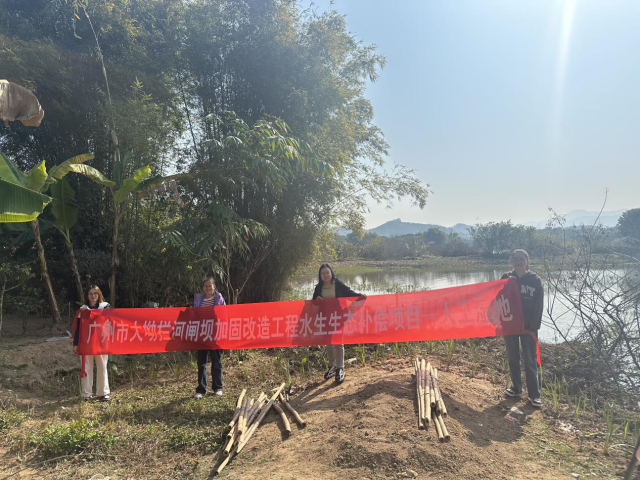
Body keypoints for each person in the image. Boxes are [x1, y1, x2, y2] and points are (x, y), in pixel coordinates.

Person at [501, 249, 544, 408]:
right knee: (513, 357)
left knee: (530, 360)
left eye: (521, 259)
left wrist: (534, 325)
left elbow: (539, 304)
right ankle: (516, 388)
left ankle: (534, 395)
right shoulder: (506, 278)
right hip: (510, 325)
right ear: (511, 261)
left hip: (528, 327)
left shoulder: (534, 280)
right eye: (515, 259)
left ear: (527, 261)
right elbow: (498, 299)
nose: (518, 261)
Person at [312, 264, 365, 384]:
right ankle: (332, 365)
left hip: (337, 316)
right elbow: (314, 302)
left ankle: (340, 368)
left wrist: (359, 296)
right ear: (320, 276)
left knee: (338, 341)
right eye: (323, 273)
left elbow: (349, 292)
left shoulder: (338, 284)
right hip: (324, 316)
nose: (326, 275)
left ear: (331, 273)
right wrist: (317, 300)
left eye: (327, 273)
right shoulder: (318, 287)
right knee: (328, 342)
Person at [73, 285, 111, 402]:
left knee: (102, 366)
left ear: (99, 294)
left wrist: (93, 313)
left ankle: (103, 393)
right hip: (86, 342)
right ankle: (86, 394)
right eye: (90, 293)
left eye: (95, 293)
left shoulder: (105, 307)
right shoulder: (83, 309)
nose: (93, 296)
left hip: (101, 342)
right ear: (87, 296)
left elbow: (109, 320)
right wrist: (75, 343)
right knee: (86, 367)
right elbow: (78, 328)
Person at [193, 277, 226, 399]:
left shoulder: (219, 299)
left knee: (216, 361)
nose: (208, 288)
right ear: (203, 288)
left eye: (210, 286)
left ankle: (218, 387)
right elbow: (194, 315)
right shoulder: (198, 300)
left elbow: (224, 315)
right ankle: (201, 389)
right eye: (205, 286)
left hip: (215, 334)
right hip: (202, 334)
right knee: (201, 362)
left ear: (214, 287)